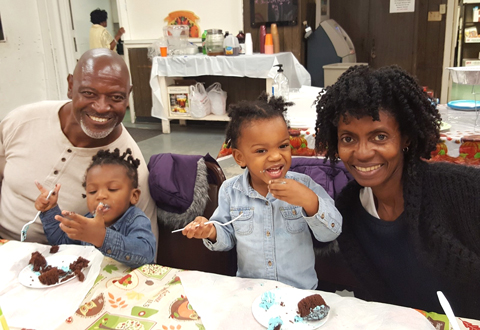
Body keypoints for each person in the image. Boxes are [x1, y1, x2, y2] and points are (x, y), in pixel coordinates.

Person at [315, 65, 480, 318]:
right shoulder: (349, 209)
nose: (362, 152)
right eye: (348, 138)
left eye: (379, 136)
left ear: (406, 138)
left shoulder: (461, 190)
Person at [182, 93, 342, 290]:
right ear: (240, 158)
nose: (276, 156)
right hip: (251, 294)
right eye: (261, 151)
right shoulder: (230, 192)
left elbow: (332, 232)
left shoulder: (305, 186)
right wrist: (211, 231)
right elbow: (227, 237)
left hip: (299, 294)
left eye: (283, 146)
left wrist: (310, 202)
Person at [0, 49, 158, 248]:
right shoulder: (22, 121)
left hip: (61, 264)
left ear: (128, 96)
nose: (101, 107)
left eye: (116, 97)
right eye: (89, 93)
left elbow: (145, 248)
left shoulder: (129, 167)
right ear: (70, 85)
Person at [35, 148, 156, 268]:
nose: (100, 196)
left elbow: (146, 254)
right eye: (93, 191)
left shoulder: (136, 220)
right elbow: (61, 244)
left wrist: (102, 238)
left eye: (112, 189)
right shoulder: (87, 220)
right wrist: (50, 210)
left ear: (133, 196)